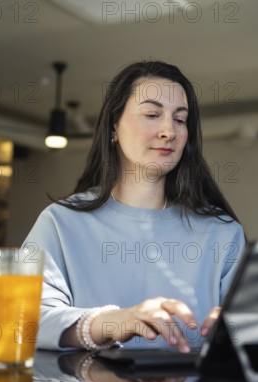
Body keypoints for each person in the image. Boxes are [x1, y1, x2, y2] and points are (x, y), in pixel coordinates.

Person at [24, 61, 246, 353]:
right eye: (153, 114)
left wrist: (237, 329)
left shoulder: (222, 232)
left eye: (180, 120)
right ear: (114, 127)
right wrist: (112, 321)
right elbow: (24, 319)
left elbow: (256, 332)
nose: (169, 130)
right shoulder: (61, 223)